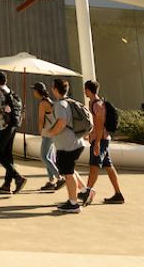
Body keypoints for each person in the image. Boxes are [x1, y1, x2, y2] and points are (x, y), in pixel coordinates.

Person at [79, 79, 126, 205]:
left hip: (101, 140)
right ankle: (118, 194)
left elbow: (99, 125)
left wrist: (97, 142)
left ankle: (87, 193)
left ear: (88, 90)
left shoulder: (97, 105)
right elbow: (95, 124)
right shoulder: (93, 103)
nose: (84, 91)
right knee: (108, 167)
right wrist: (90, 134)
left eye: (85, 89)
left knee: (94, 166)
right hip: (101, 139)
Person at [46, 78, 86, 212]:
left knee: (68, 174)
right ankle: (78, 196)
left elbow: (62, 122)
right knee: (69, 172)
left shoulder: (59, 105)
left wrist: (51, 132)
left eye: (52, 87)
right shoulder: (69, 102)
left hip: (68, 145)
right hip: (75, 143)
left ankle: (73, 203)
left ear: (55, 89)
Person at [0, 71, 26, 193]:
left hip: (2, 126)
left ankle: (18, 177)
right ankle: (7, 184)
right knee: (8, 155)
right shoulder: (10, 92)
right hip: (12, 125)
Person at [32, 82, 64, 192]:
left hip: (47, 132)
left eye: (34, 90)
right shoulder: (49, 100)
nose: (33, 92)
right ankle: (51, 181)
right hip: (53, 132)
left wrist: (40, 131)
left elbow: (41, 119)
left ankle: (59, 177)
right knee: (49, 157)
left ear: (37, 91)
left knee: (44, 156)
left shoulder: (42, 103)